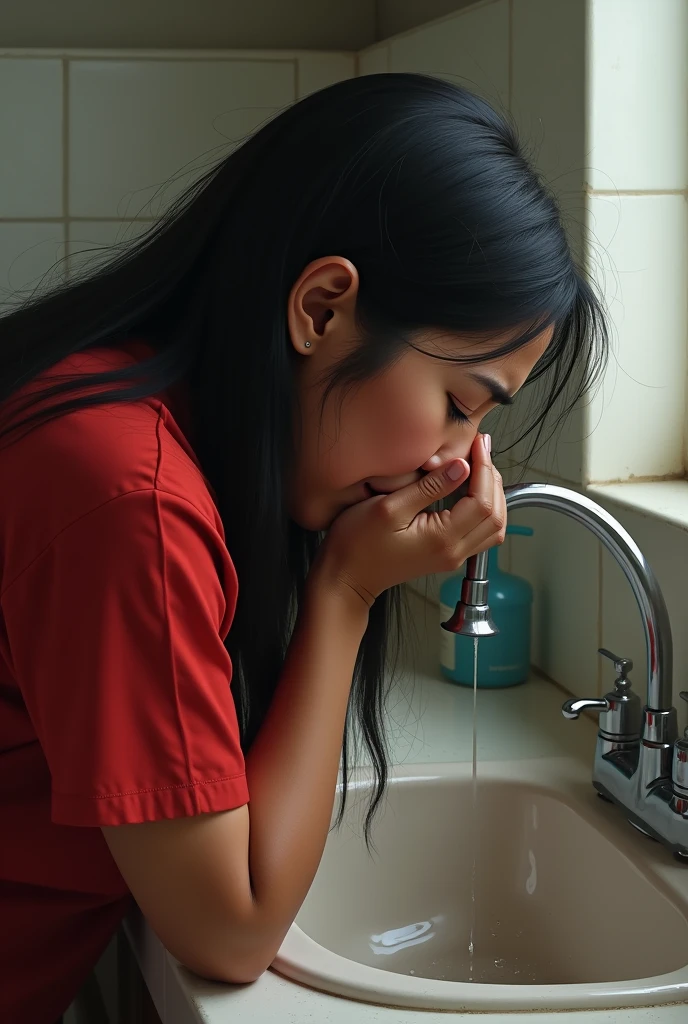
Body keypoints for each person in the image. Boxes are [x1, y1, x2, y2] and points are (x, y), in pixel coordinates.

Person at [0, 73, 607, 1023]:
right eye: (457, 404)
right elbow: (231, 929)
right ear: (321, 308)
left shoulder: (110, 405)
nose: (459, 462)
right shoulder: (131, 503)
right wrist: (347, 593)